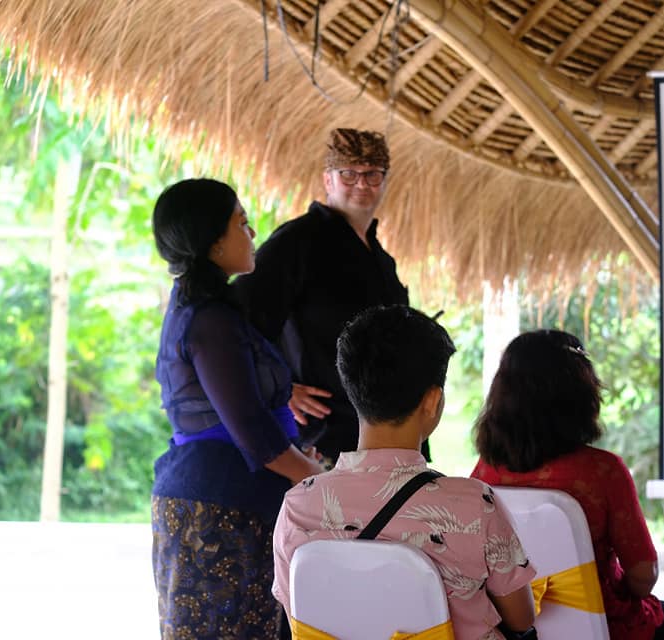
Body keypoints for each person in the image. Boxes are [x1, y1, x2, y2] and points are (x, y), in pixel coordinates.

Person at [272, 305, 538, 640]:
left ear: (353, 390)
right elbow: (521, 618)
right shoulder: (473, 504)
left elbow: (298, 610)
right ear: (432, 401)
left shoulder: (298, 506)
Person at [149, 178, 322, 640]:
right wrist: (316, 478)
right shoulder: (209, 321)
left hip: (219, 495)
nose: (251, 234)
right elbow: (253, 433)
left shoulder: (205, 309)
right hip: (219, 506)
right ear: (213, 241)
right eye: (242, 223)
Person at [471, 330, 664, 640]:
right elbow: (643, 576)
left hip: (519, 629)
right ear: (579, 393)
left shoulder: (484, 472)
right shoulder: (603, 471)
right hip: (602, 625)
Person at [235, 128, 411, 468]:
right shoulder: (298, 241)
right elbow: (239, 320)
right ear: (327, 180)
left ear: (385, 180)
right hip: (326, 434)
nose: (361, 184)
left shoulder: (381, 258)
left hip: (388, 431)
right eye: (348, 174)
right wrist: (281, 387)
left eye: (372, 174)